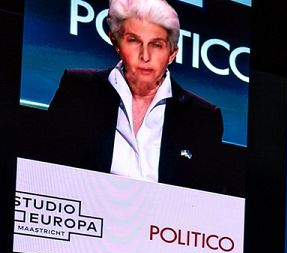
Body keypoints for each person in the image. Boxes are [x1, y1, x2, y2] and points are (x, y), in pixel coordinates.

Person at [42, 0, 225, 193]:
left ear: (172, 54)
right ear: (115, 42)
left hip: (163, 222)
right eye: (133, 41)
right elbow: (44, 170)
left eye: (157, 44)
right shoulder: (78, 89)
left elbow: (209, 203)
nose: (145, 56)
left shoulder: (203, 117)